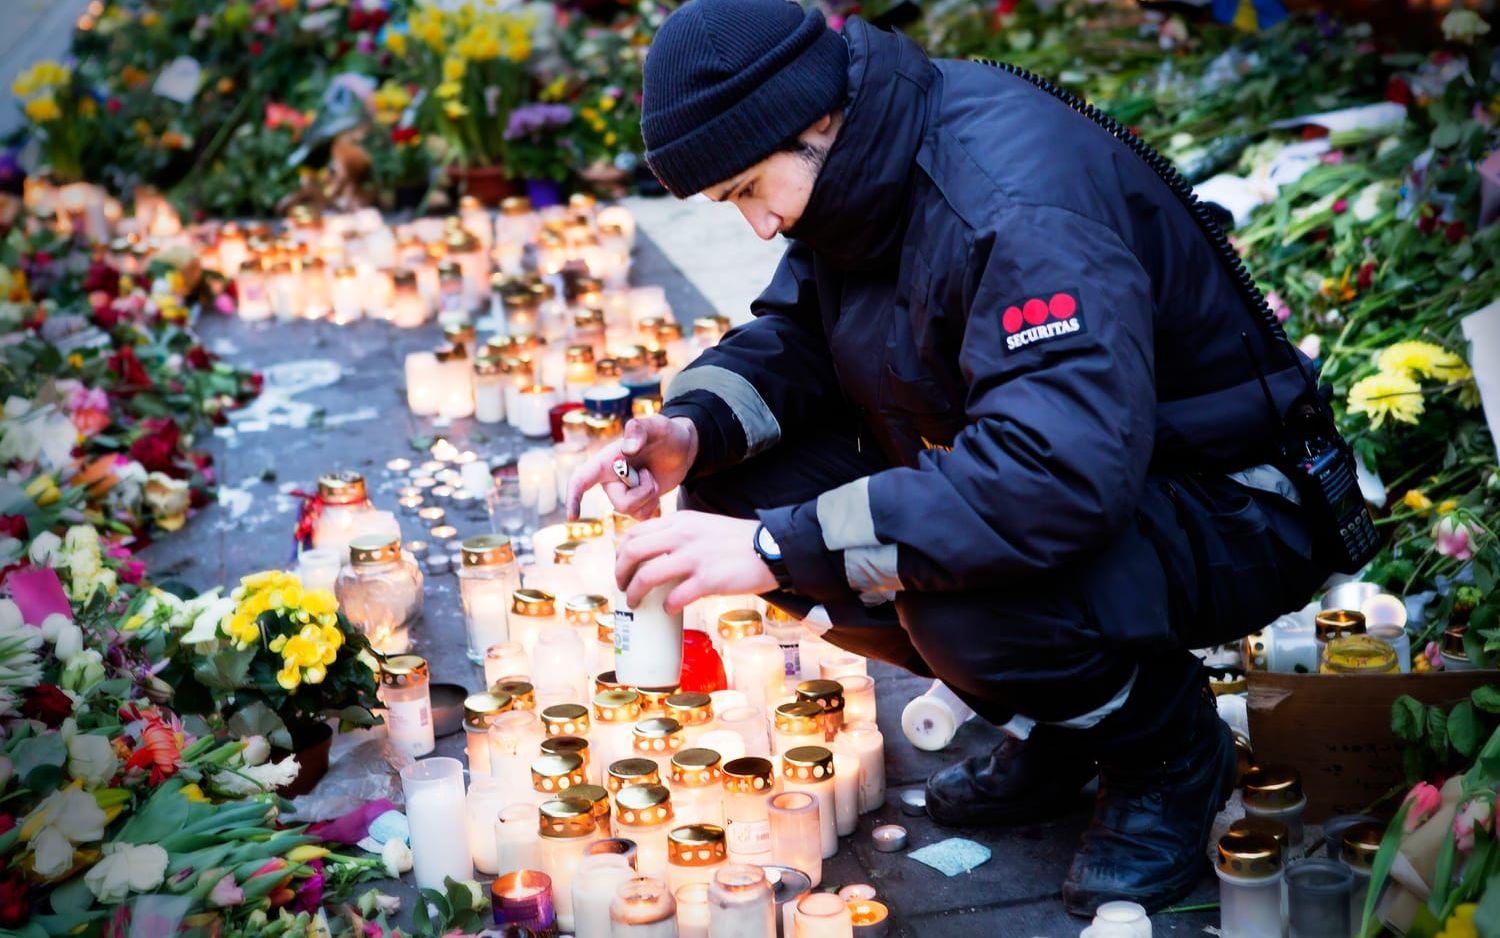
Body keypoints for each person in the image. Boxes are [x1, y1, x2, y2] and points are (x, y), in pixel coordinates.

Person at [568, 0, 1352, 913]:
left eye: (749, 188)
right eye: (730, 201)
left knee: (955, 602)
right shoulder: (859, 167)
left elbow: (1053, 478)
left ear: (813, 118)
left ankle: (1165, 748)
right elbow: (803, 337)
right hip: (1105, 479)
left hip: (1235, 502)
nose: (758, 227)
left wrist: (782, 549)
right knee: (735, 495)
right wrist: (695, 427)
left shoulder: (1012, 209)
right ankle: (1067, 721)